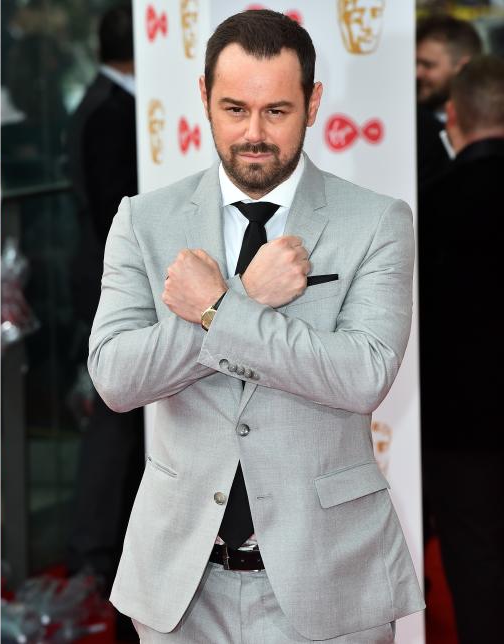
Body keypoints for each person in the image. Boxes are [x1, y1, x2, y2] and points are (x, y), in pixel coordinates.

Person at [87, 10, 424, 642]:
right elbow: (114, 378)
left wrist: (220, 308)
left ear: (314, 102)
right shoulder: (143, 220)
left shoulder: (376, 221)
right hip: (181, 583)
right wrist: (248, 298)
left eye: (277, 111)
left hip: (330, 577)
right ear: (205, 100)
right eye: (235, 109)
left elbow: (363, 375)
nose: (254, 134)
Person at [419, 54, 504, 644]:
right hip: (462, 428)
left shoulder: (427, 208)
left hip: (461, 430)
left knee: (476, 574)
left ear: (452, 116)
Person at [64, 4, 142, 639]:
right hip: (116, 288)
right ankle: (105, 550)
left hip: (107, 282)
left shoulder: (101, 103)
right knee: (117, 426)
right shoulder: (112, 114)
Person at [416, 14, 482, 187]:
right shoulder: (412, 122)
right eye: (416, 64)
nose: (417, 73)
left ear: (463, 67)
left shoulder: (487, 125)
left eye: (428, 65)